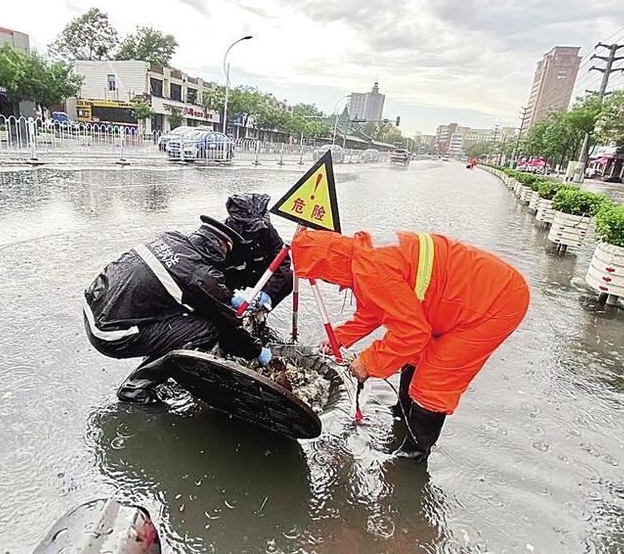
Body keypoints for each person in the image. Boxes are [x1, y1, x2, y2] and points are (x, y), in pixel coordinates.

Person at [291, 229, 529, 462]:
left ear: (328, 265)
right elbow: (375, 308)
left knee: (435, 380)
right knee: (414, 357)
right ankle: (403, 414)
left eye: (322, 276)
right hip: (460, 296)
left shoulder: (371, 270)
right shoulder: (361, 254)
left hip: (494, 303)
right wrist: (341, 337)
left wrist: (367, 362)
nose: (328, 282)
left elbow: (412, 333)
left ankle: (415, 453)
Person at [82, 216, 271, 401]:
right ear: (219, 249)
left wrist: (228, 297)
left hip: (93, 309)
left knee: (183, 311)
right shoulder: (199, 274)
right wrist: (256, 351)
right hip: (110, 336)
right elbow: (227, 324)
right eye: (226, 251)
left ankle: (156, 356)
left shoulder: (169, 238)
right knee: (207, 329)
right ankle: (135, 387)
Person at [223, 193, 293, 311]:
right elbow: (208, 273)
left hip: (256, 274)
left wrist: (268, 292)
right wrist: (228, 297)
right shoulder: (223, 233)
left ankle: (260, 311)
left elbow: (282, 259)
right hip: (231, 278)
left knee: (289, 278)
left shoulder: (266, 230)